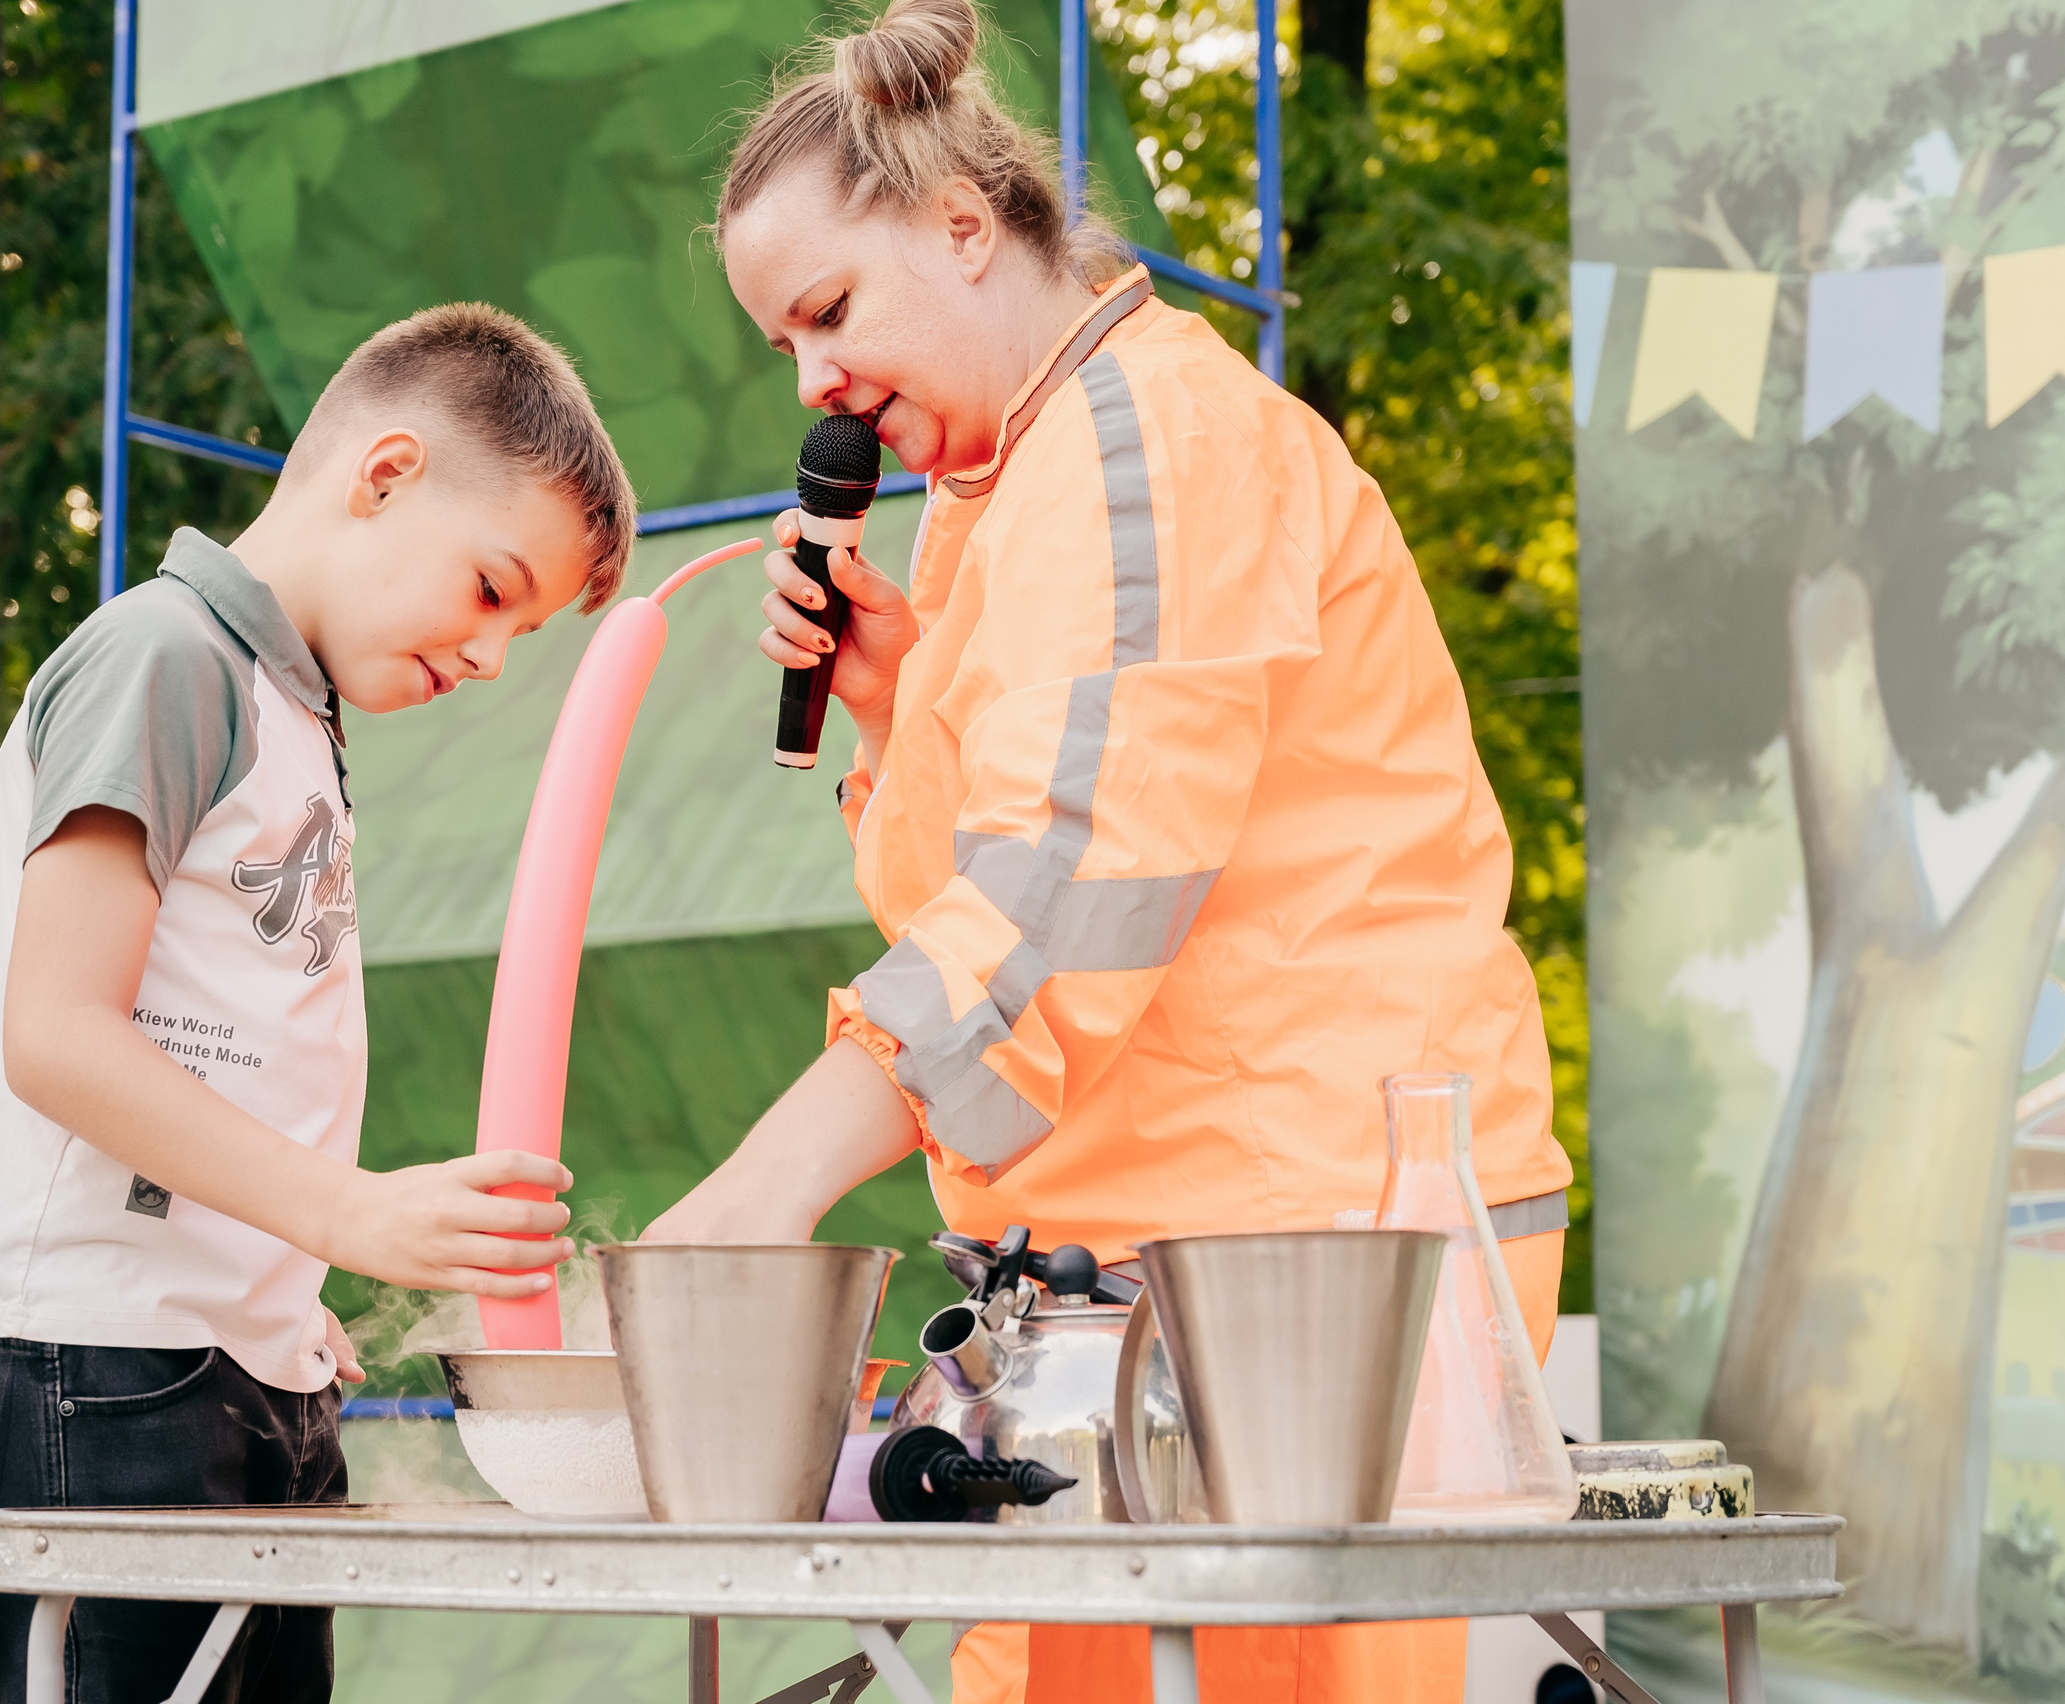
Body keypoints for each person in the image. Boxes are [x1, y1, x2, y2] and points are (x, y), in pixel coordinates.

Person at [647, 2, 1573, 1698]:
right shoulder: (1009, 486)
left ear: (962, 223)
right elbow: (987, 884)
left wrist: (772, 1183)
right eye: (781, 344)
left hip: (1309, 1252)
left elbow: (1068, 902)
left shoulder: (1149, 448)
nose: (816, 386)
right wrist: (892, 709)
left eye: (830, 314)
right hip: (1131, 1277)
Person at [0, 304, 630, 1703]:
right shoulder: (166, 658)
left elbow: (213, 1032)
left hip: (219, 1356)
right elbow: (55, 1034)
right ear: (386, 473)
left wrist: (271, 1278)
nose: (490, 661)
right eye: (490, 589)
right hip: (80, 1360)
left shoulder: (296, 713)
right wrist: (342, 1216)